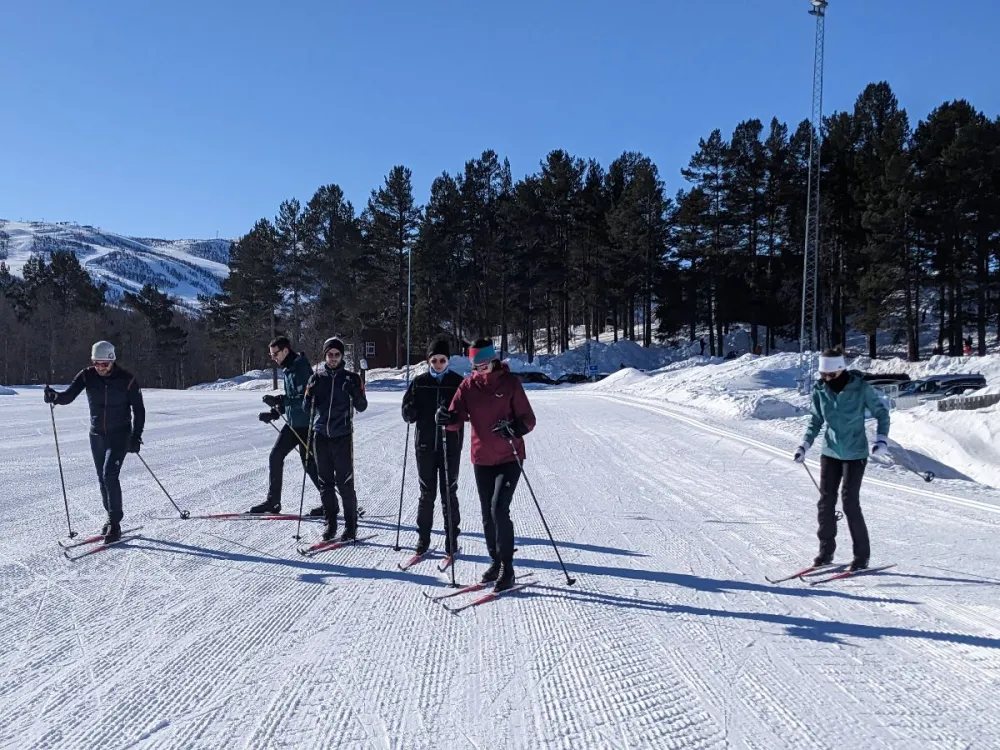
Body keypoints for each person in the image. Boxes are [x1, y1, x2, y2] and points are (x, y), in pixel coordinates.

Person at [437, 338, 536, 591]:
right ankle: (495, 561)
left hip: (510, 456)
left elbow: (529, 419)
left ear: (494, 360)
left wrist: (513, 428)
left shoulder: (510, 383)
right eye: (475, 365)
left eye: (484, 364)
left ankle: (507, 568)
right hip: (482, 458)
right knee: (486, 513)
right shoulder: (468, 386)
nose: (480, 369)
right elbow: (455, 417)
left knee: (498, 508)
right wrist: (445, 418)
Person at [793, 347, 890, 571]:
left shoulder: (860, 388)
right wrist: (804, 445)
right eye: (823, 375)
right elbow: (816, 420)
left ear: (841, 370)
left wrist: (882, 439)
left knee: (849, 502)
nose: (827, 379)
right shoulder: (820, 390)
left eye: (831, 375)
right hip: (830, 452)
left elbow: (882, 413)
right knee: (825, 502)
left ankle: (861, 556)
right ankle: (825, 552)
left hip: (855, 453)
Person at [43, 341, 145, 543]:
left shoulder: (127, 380)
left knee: (109, 475)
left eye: (104, 364)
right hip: (96, 435)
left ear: (112, 361)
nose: (100, 368)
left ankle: (115, 523)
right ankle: (110, 516)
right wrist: (55, 397)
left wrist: (135, 436)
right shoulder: (87, 376)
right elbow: (68, 396)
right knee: (101, 478)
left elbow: (139, 410)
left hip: (120, 435)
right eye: (96, 363)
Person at [400, 336, 464, 555]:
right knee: (426, 493)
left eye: (442, 360)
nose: (438, 364)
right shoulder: (419, 382)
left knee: (449, 493)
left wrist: (452, 417)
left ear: (448, 361)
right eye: (434, 360)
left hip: (450, 446)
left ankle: (451, 538)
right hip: (425, 446)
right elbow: (406, 410)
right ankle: (423, 538)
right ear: (428, 361)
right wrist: (409, 411)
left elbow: (466, 412)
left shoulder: (457, 382)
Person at [250, 336, 323, 516]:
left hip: (306, 424)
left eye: (275, 354)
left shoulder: (300, 368)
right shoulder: (289, 368)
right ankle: (273, 502)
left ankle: (329, 502)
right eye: (271, 355)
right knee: (275, 456)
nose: (273, 358)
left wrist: (280, 400)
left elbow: (305, 399)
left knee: (310, 465)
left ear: (285, 350)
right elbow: (291, 399)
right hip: (293, 423)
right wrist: (275, 412)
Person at [304, 337, 367, 541]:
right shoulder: (316, 378)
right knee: (325, 483)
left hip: (342, 436)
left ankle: (351, 526)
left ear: (342, 356)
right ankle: (330, 523)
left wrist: (354, 392)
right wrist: (309, 395)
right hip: (320, 435)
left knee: (345, 483)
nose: (333, 358)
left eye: (337, 355)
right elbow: (306, 409)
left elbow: (362, 406)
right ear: (325, 356)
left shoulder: (352, 378)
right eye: (329, 355)